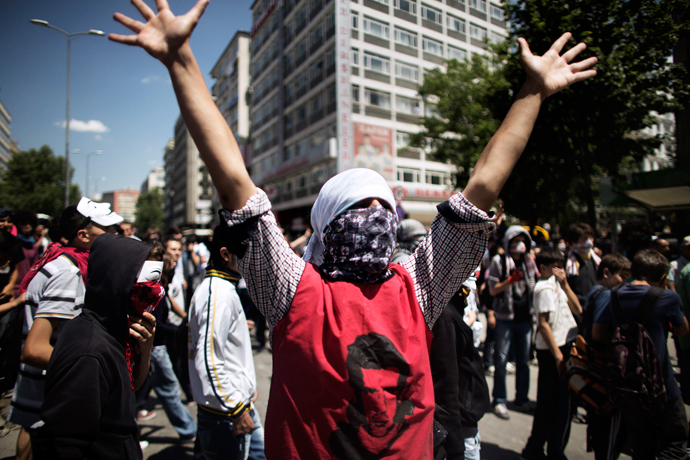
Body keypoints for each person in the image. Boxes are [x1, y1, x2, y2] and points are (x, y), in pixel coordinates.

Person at [110, 2, 596, 456]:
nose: (373, 222)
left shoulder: (346, 290)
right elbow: (234, 181)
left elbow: (483, 187)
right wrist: (181, 64)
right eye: (358, 210)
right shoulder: (360, 289)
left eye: (380, 211)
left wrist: (532, 94)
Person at [7, 198, 122, 460]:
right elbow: (34, 349)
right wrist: (95, 367)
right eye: (108, 229)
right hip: (50, 386)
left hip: (45, 387)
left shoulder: (66, 263)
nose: (116, 234)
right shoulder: (68, 272)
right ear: (83, 235)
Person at [32, 233, 161, 460]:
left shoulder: (113, 331)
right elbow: (62, 445)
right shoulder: (89, 352)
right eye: (145, 282)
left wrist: (145, 349)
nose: (155, 291)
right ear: (116, 281)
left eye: (157, 281)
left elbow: (131, 387)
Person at [593, 249, 689, 459]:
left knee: (642, 446)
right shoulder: (668, 297)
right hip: (663, 388)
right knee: (674, 445)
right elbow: (683, 330)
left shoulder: (614, 295)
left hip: (628, 386)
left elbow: (598, 333)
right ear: (663, 277)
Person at [188, 223, 265, 460]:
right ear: (225, 255)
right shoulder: (217, 294)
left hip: (236, 407)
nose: (252, 261)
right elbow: (208, 360)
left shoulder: (221, 289)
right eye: (247, 254)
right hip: (226, 415)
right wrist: (236, 408)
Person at [521, 248, 581, 460]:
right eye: (554, 267)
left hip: (564, 345)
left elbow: (578, 310)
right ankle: (549, 450)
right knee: (555, 405)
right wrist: (558, 357)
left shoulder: (558, 285)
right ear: (543, 267)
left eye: (561, 266)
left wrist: (565, 286)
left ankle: (537, 448)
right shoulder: (543, 288)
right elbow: (544, 325)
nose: (559, 271)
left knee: (552, 404)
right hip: (553, 349)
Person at [430, 276, 490, 460]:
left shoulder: (450, 311)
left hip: (465, 422)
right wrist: (456, 449)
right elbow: (446, 392)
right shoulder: (446, 318)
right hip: (461, 429)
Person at [583, 253, 631, 460]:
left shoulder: (595, 291)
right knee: (607, 431)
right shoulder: (606, 295)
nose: (626, 281)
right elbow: (597, 333)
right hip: (602, 365)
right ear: (606, 273)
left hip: (592, 364)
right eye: (623, 276)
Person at [487, 225, 538, 419]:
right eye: (515, 241)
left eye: (523, 241)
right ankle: (499, 400)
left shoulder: (529, 263)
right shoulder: (499, 262)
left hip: (525, 318)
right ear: (508, 243)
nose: (520, 245)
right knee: (501, 360)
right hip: (505, 318)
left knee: (523, 361)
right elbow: (492, 290)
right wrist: (509, 281)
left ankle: (521, 399)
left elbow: (534, 284)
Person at [565, 223, 600, 307]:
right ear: (573, 241)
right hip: (576, 307)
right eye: (584, 239)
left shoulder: (596, 260)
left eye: (590, 238)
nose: (589, 242)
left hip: (594, 305)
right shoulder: (568, 263)